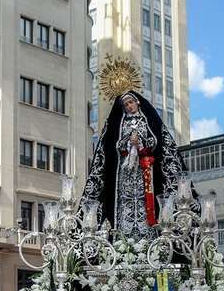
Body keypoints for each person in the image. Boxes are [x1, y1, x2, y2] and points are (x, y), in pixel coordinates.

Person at [79, 89, 192, 240]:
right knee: (125, 202)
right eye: (126, 104)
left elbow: (156, 140)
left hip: (145, 170)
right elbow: (112, 145)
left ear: (137, 102)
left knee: (145, 201)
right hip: (125, 171)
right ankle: (123, 238)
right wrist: (127, 143)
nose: (129, 106)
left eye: (131, 102)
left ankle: (148, 237)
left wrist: (141, 142)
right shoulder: (119, 123)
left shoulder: (147, 119)